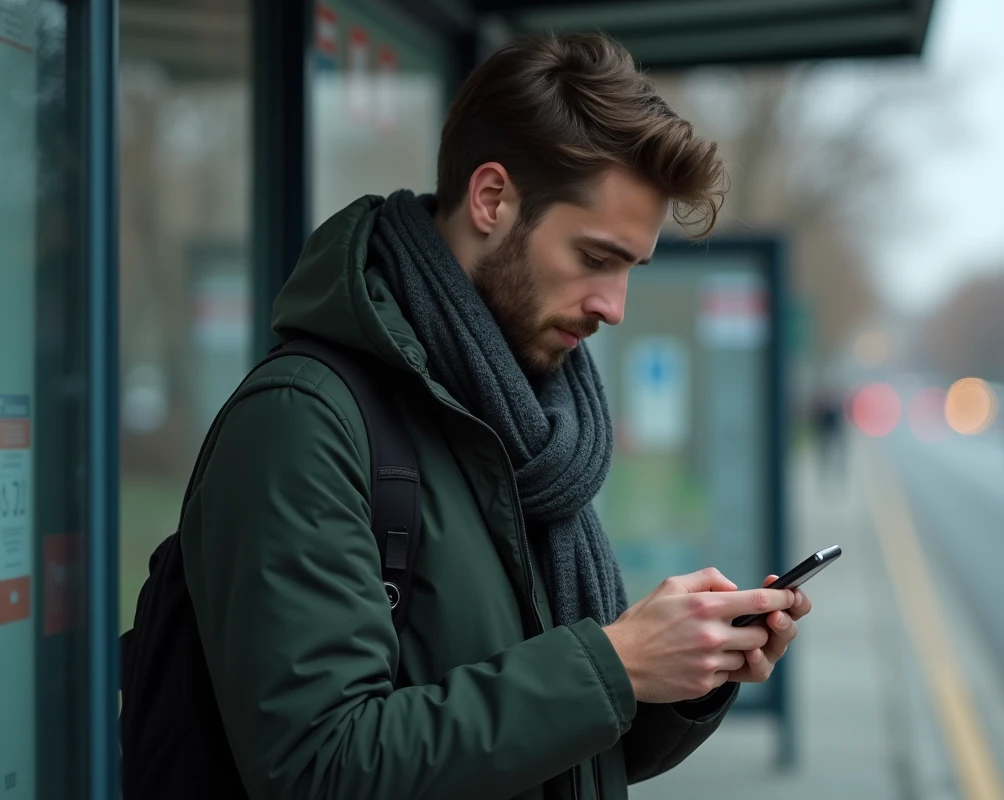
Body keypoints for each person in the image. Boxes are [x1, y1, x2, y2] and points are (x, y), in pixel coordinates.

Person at [174, 32, 811, 799]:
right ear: (491, 199)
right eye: (595, 257)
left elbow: (567, 755)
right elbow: (320, 768)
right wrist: (613, 663)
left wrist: (687, 670)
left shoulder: (539, 427)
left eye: (630, 270)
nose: (614, 307)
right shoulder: (302, 423)